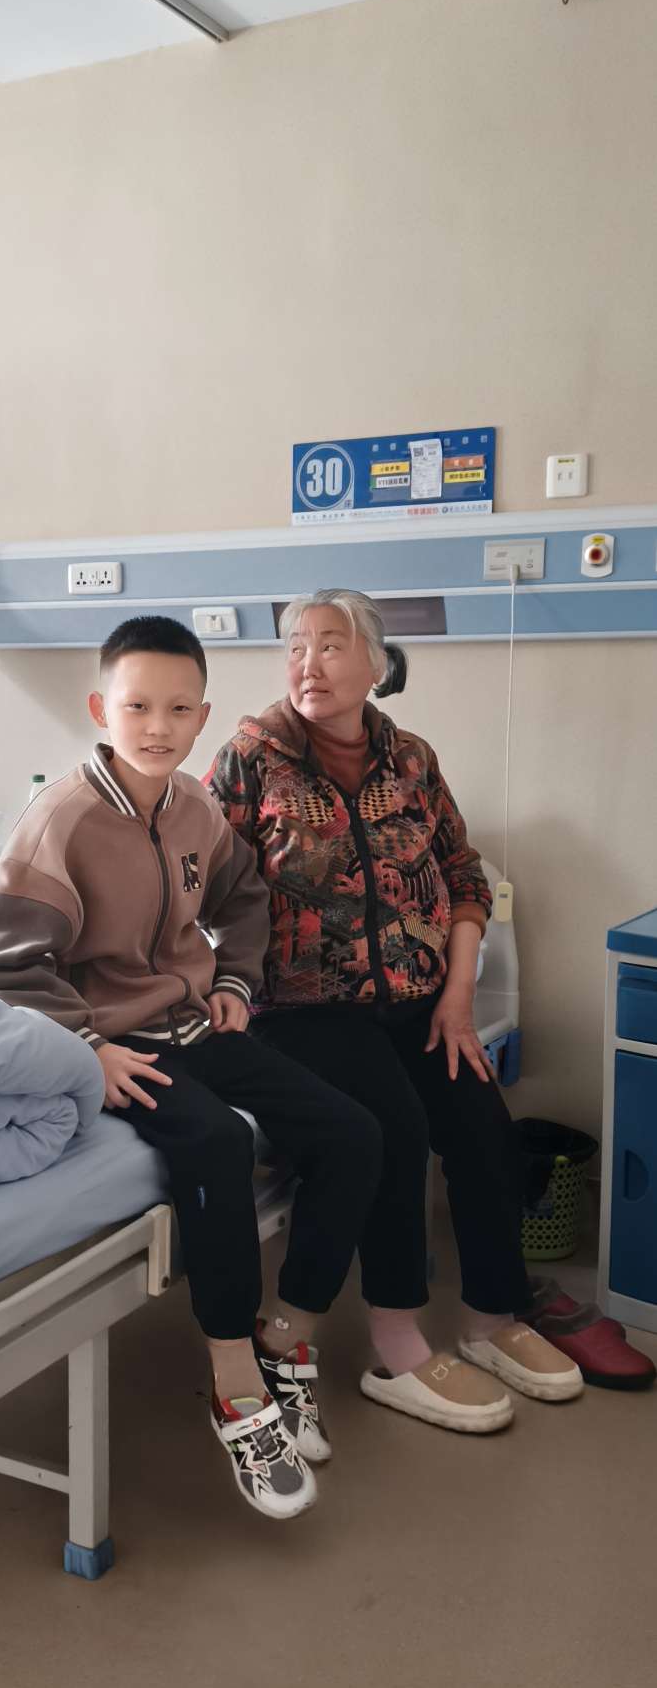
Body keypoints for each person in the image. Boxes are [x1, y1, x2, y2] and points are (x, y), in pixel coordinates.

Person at [0, 615, 390, 1522]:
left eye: (177, 709)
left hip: (193, 1025)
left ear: (202, 716)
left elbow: (243, 896)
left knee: (354, 1134)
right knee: (216, 1145)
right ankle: (234, 1380)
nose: (157, 726)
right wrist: (85, 1050)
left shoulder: (195, 807)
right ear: (101, 710)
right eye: (137, 707)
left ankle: (287, 1337)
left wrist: (234, 980)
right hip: (110, 1046)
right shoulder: (62, 823)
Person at [206, 588, 583, 1432]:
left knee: (484, 1124)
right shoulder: (249, 759)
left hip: (420, 1000)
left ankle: (491, 1317)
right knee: (399, 1129)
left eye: (331, 645)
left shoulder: (410, 758)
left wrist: (458, 996)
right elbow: (199, 883)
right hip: (301, 1008)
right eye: (296, 647)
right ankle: (396, 1341)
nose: (309, 663)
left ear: (377, 664)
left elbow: (464, 876)